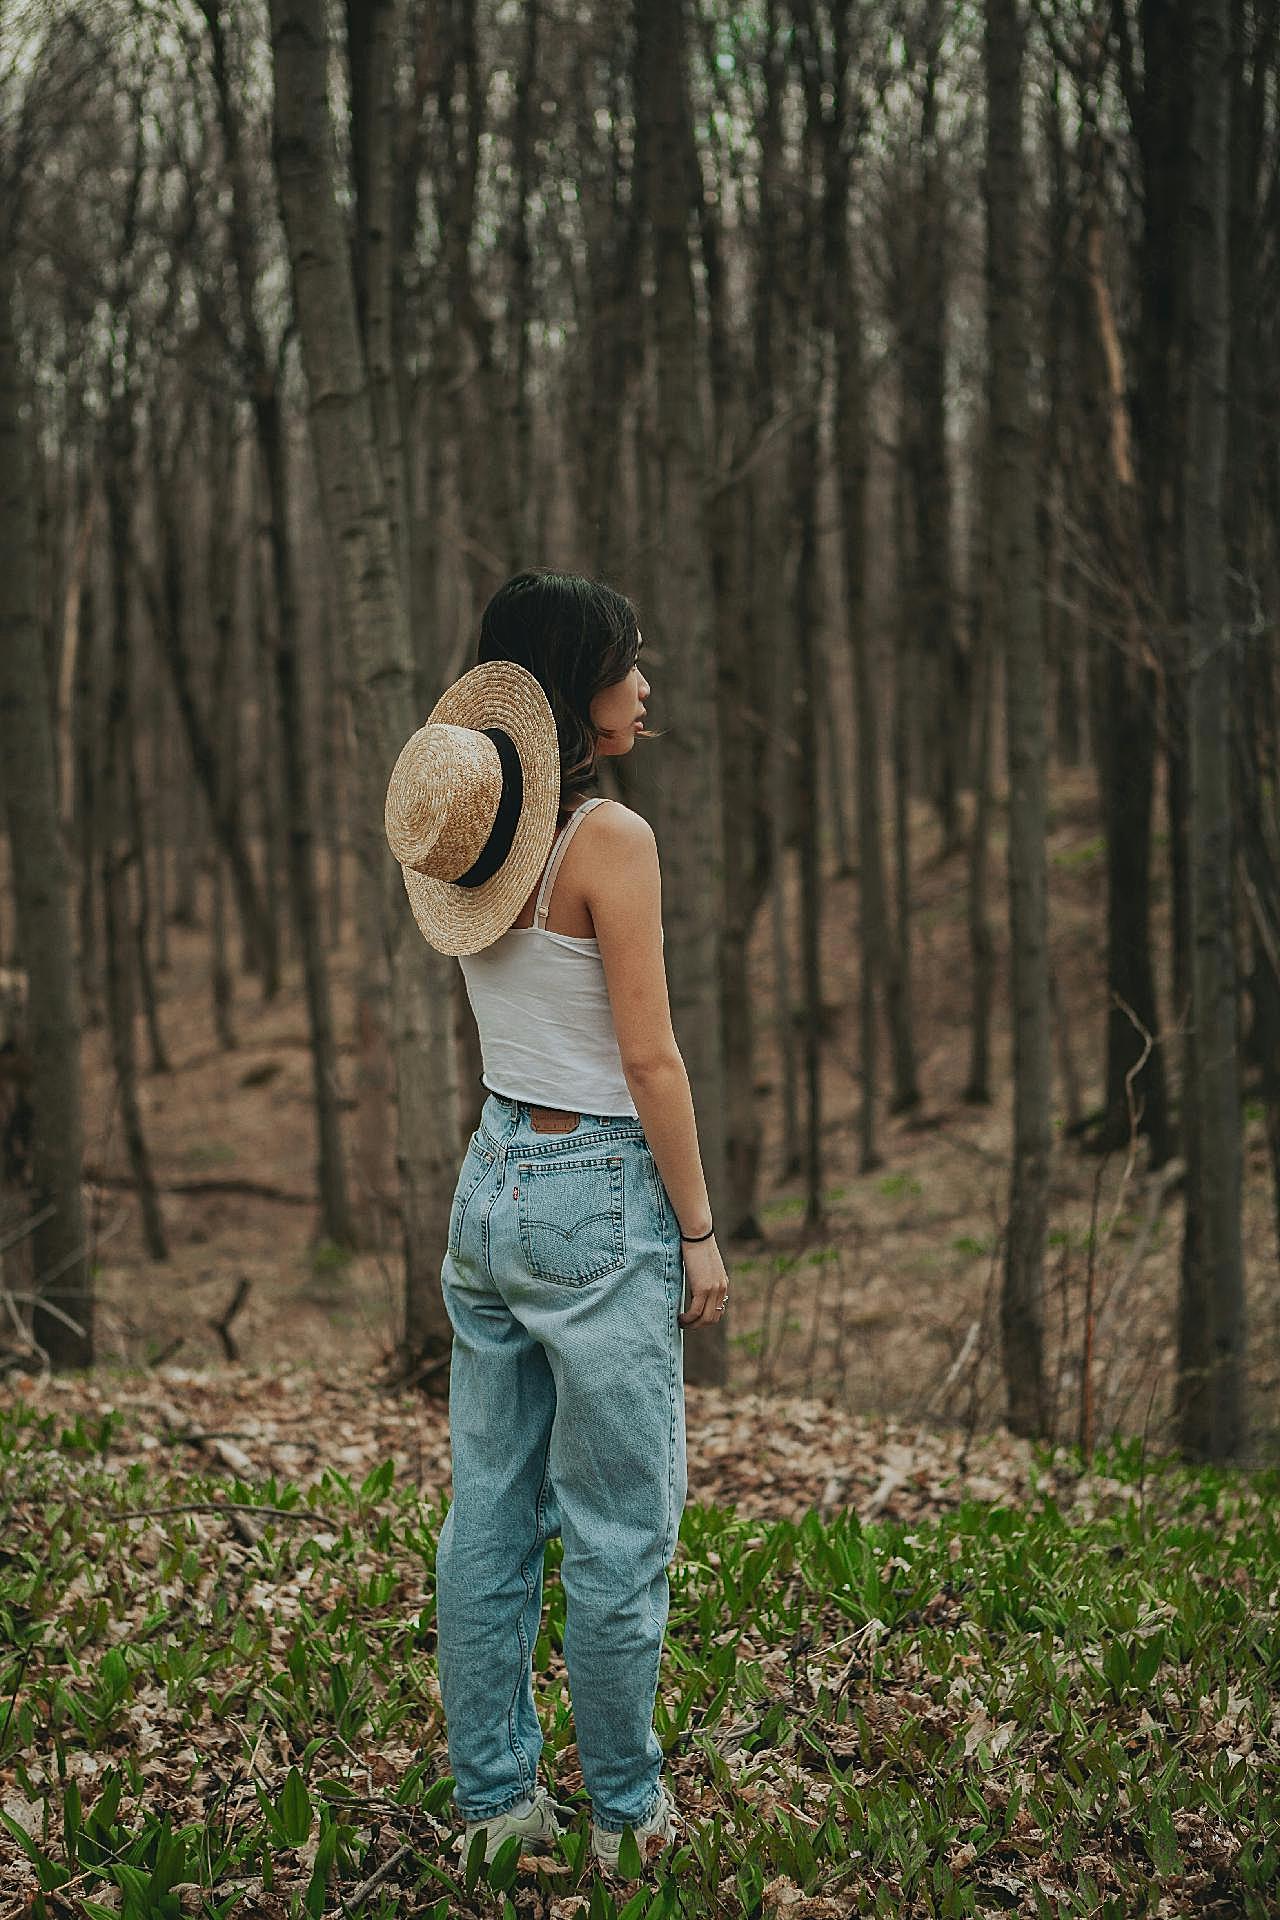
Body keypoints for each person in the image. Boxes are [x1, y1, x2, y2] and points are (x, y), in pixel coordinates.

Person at [383, 570, 731, 1881]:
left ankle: (495, 1809)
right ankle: (629, 1816)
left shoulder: (474, 833)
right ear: (583, 689)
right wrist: (696, 1230)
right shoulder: (608, 842)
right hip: (597, 1197)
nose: (647, 685)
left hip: (494, 1184)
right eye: (628, 664)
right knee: (617, 1524)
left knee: (488, 1511)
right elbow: (651, 1063)